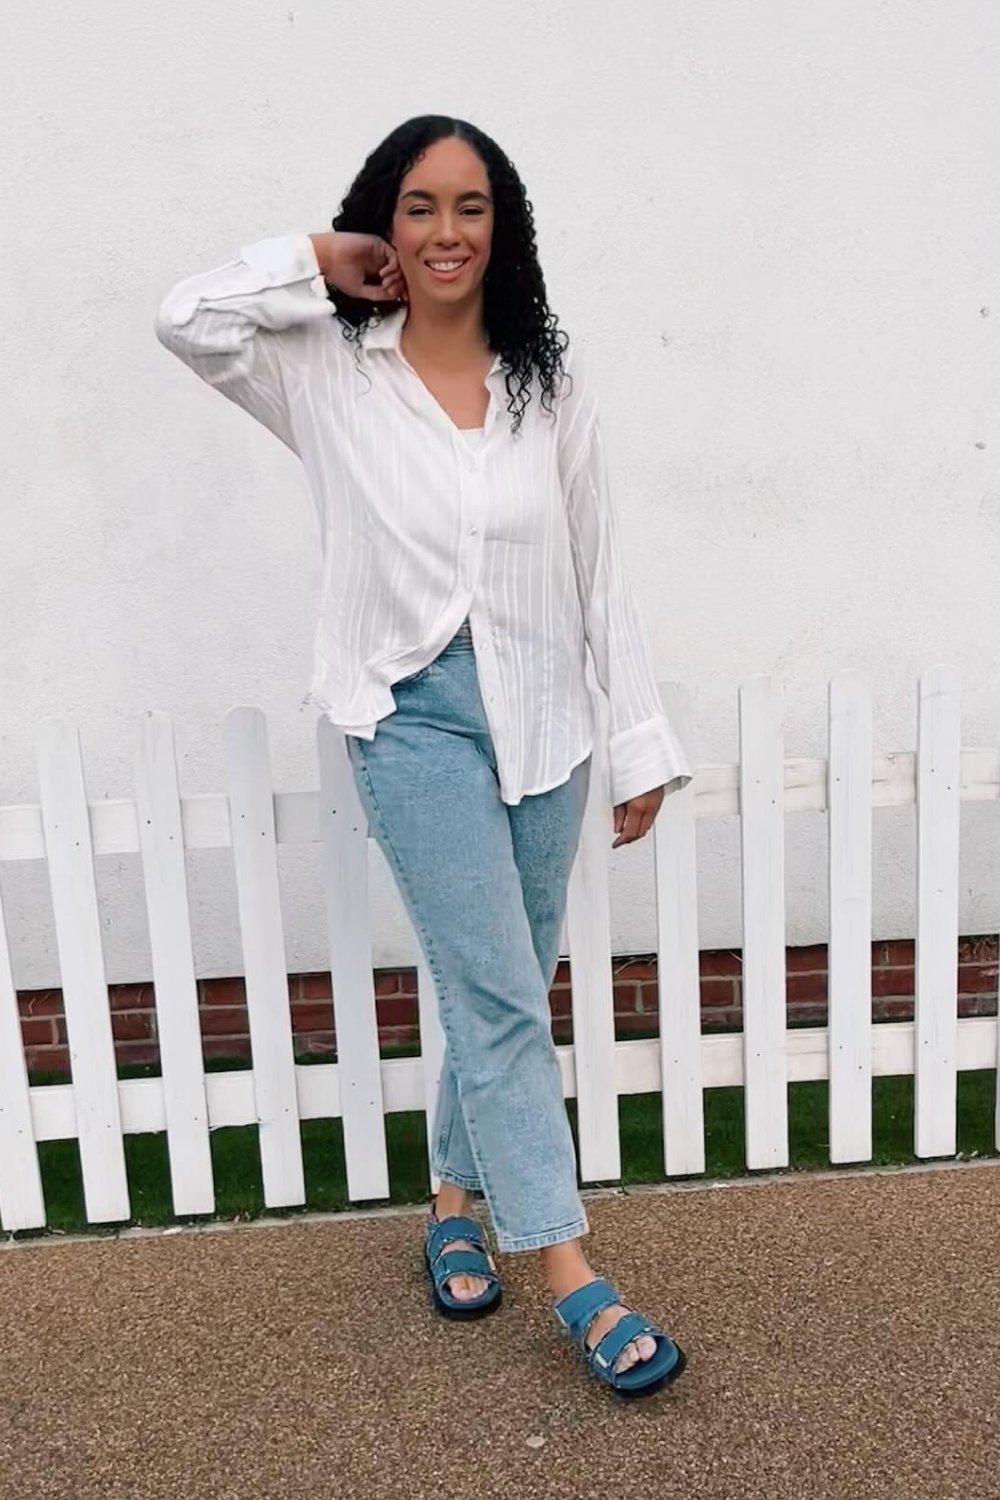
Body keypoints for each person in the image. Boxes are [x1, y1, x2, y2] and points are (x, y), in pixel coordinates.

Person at [155, 114, 693, 1398]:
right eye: (417, 206)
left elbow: (596, 574)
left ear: (501, 228)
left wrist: (634, 744)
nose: (445, 231)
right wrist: (313, 257)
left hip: (545, 711)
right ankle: (571, 1273)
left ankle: (453, 1201)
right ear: (382, 224)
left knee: (496, 974)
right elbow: (186, 318)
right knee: (502, 996)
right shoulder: (324, 369)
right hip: (407, 712)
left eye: (470, 206)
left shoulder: (546, 386)